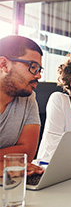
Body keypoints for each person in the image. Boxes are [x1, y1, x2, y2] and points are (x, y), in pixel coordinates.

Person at [0, 35, 44, 175]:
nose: (38, 76)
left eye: (39, 69)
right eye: (32, 67)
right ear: (4, 65)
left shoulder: (28, 97)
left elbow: (27, 155)